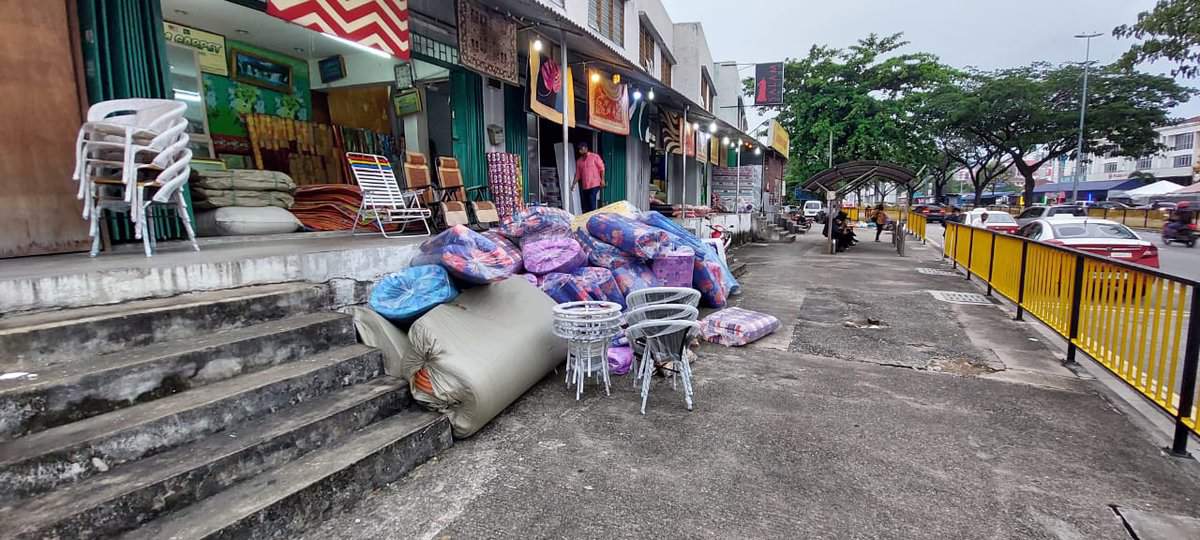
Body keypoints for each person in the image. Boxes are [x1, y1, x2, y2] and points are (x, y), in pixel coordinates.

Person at [572, 143, 605, 213]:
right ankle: (587, 219)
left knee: (591, 200)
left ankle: (593, 218)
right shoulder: (579, 161)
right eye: (579, 149)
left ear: (586, 148)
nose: (580, 151)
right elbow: (578, 174)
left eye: (581, 149)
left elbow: (602, 168)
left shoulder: (595, 157)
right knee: (586, 205)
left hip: (595, 184)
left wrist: (602, 180)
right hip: (585, 186)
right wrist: (573, 184)